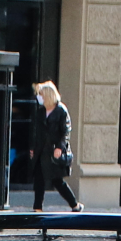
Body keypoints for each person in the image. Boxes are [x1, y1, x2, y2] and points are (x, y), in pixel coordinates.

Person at [32, 80, 80, 211]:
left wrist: (60, 147)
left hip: (53, 151)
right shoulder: (41, 111)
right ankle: (37, 208)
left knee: (57, 181)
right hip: (41, 150)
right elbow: (36, 131)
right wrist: (33, 147)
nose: (39, 97)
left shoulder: (61, 110)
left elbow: (65, 131)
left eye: (41, 94)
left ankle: (74, 204)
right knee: (39, 180)